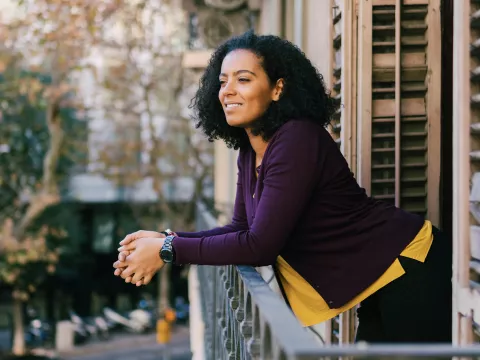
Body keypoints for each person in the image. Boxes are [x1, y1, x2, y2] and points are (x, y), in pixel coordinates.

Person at [113, 31, 452, 343]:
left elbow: (259, 245)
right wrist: (165, 240)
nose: (227, 91)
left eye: (243, 79)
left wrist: (169, 250)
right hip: (378, 273)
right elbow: (241, 228)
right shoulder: (250, 150)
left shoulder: (297, 139)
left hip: (409, 263)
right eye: (222, 81)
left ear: (277, 89)